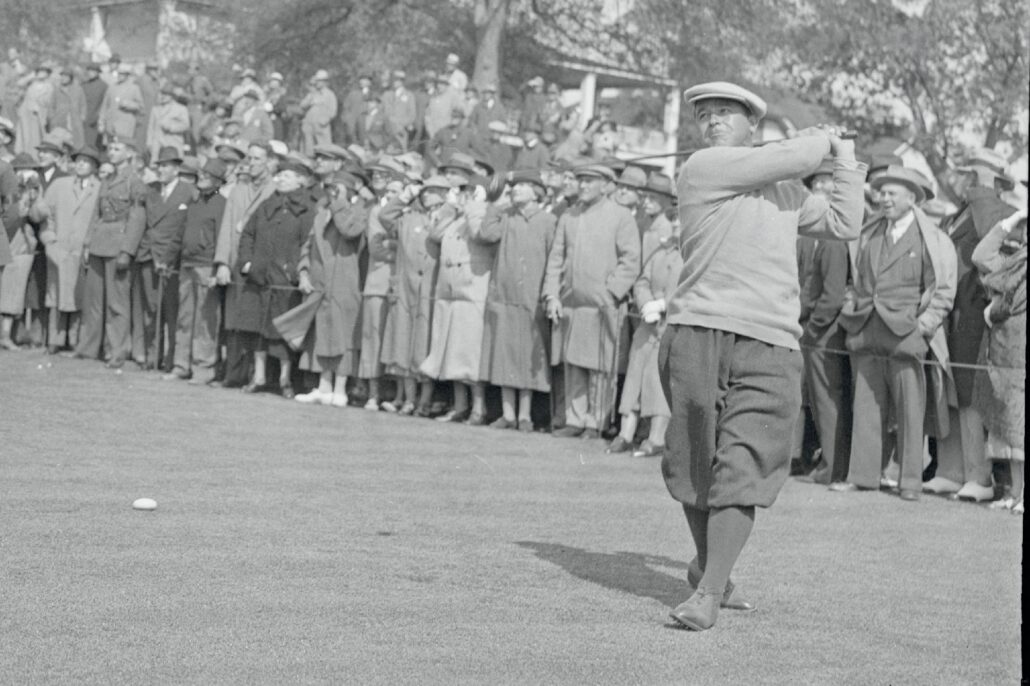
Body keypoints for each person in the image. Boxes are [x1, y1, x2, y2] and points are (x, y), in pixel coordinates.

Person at [661, 82, 865, 631]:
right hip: (697, 331)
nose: (713, 121)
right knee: (695, 463)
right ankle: (713, 571)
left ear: (754, 124)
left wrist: (845, 160)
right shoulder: (705, 167)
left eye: (727, 113)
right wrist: (822, 138)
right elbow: (797, 156)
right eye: (705, 115)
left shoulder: (788, 195)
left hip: (771, 341)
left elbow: (846, 223)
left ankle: (707, 591)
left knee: (743, 462)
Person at [834, 165, 957, 501]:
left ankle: (910, 483)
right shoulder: (869, 231)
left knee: (910, 410)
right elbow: (855, 280)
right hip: (865, 330)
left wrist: (924, 325)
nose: (883, 199)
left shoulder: (932, 239)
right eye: (882, 192)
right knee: (866, 406)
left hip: (907, 334)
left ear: (912, 198)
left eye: (892, 194)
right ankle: (862, 477)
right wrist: (852, 305)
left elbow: (943, 290)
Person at [924, 148, 1017, 501]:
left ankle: (980, 476)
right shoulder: (958, 214)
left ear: (991, 180)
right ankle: (951, 470)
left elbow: (990, 239)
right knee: (948, 390)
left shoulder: (1002, 211)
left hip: (979, 315)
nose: (965, 181)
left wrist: (983, 190)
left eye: (972, 174)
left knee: (970, 394)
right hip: (951, 312)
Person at [543, 163, 640, 439]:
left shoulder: (620, 216)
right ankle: (574, 419)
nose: (583, 185)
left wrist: (611, 293)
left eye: (589, 181)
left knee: (600, 367)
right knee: (573, 363)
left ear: (606, 185)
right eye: (580, 180)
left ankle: (595, 422)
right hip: (572, 304)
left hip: (604, 305)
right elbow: (556, 259)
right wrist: (552, 295)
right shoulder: (569, 216)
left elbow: (631, 260)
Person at [234, 157, 318, 398]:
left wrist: (295, 270)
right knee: (258, 329)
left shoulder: (307, 210)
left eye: (287, 176)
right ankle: (258, 376)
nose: (280, 179)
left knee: (283, 332)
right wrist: (248, 263)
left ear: (300, 181)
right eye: (279, 175)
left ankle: (284, 379)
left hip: (285, 281)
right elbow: (247, 234)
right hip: (259, 277)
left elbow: (308, 244)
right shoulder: (265, 205)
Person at [479, 171, 556, 431]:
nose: (516, 190)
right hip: (505, 297)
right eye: (515, 186)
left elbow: (554, 260)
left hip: (532, 299)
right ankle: (508, 413)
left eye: (523, 186)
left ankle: (525, 415)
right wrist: (497, 206)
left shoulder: (548, 221)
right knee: (504, 355)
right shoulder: (507, 217)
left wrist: (547, 293)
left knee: (527, 358)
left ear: (537, 192)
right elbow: (487, 233)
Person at [795, 159, 854, 486]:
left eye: (830, 183)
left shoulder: (833, 237)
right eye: (818, 184)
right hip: (813, 326)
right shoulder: (812, 234)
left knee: (828, 401)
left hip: (823, 332)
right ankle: (828, 465)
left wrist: (812, 327)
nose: (823, 189)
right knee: (820, 401)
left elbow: (831, 296)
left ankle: (832, 467)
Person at [419, 178, 494, 425]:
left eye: (468, 191)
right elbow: (436, 234)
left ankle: (478, 408)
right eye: (460, 191)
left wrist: (473, 205)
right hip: (450, 292)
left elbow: (479, 234)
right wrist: (450, 208)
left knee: (469, 354)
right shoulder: (456, 217)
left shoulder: (480, 213)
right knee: (451, 352)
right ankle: (460, 406)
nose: (462, 196)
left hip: (472, 290)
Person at [609, 212, 683, 457]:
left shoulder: (697, 254)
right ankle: (625, 434)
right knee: (634, 379)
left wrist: (664, 304)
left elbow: (695, 287)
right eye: (675, 219)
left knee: (659, 381)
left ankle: (656, 438)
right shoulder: (661, 251)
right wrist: (645, 303)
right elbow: (642, 281)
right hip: (648, 324)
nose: (675, 224)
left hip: (674, 327)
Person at [294, 171, 369, 406]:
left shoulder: (359, 211)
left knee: (343, 335)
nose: (331, 193)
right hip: (320, 282)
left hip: (345, 283)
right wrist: (303, 271)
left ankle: (341, 388)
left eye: (337, 189)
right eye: (330, 189)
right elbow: (307, 246)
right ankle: (324, 386)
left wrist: (340, 203)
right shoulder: (321, 213)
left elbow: (350, 230)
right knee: (323, 334)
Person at [378, 175, 449, 415]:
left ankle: (424, 401)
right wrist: (406, 194)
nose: (426, 195)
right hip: (406, 290)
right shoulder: (409, 218)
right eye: (425, 191)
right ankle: (409, 399)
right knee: (403, 346)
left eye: (433, 191)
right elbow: (385, 215)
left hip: (431, 291)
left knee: (425, 347)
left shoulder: (449, 219)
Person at [971, 208, 1026, 514]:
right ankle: (1016, 493)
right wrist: (1009, 223)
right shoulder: (1016, 260)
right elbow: (981, 256)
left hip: (1020, 353)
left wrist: (993, 312)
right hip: (1003, 351)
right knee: (1008, 425)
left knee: (1020, 425)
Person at [76, 138, 147, 365]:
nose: (112, 153)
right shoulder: (106, 180)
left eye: (117, 149)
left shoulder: (133, 181)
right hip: (99, 243)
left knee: (117, 303)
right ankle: (89, 347)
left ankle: (117, 351)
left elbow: (137, 217)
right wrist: (87, 243)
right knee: (94, 300)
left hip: (118, 244)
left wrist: (127, 250)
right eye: (110, 149)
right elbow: (96, 215)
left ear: (128, 154)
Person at [215, 141, 278, 387]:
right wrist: (222, 263)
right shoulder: (239, 189)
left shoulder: (274, 189)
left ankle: (257, 375)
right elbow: (227, 227)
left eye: (257, 159)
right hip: (236, 264)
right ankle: (234, 373)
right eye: (249, 159)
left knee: (256, 321)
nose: (251, 164)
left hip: (260, 266)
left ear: (269, 163)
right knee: (233, 321)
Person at [132, 146, 195, 370]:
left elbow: (189, 224)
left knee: (172, 311)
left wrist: (169, 256)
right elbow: (142, 223)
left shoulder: (189, 191)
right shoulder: (150, 190)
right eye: (159, 165)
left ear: (177, 169)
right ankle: (152, 355)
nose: (161, 170)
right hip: (149, 255)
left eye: (166, 166)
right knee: (151, 309)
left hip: (173, 259)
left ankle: (171, 357)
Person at [165, 158, 227, 382]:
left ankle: (203, 368)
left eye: (208, 175)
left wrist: (219, 267)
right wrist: (168, 258)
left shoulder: (222, 204)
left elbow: (223, 238)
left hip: (206, 266)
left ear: (218, 181)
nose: (202, 177)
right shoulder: (194, 202)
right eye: (202, 173)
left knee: (206, 320)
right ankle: (181, 365)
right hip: (187, 265)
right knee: (185, 318)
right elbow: (181, 232)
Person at [39, 146, 101, 353]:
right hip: (59, 248)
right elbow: (46, 215)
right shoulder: (59, 185)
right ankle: (54, 340)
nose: (81, 164)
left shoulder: (99, 188)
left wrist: (90, 245)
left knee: (79, 295)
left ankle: (74, 340)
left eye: (87, 161)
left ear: (94, 167)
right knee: (56, 295)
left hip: (82, 251)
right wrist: (49, 239)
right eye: (79, 160)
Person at [358, 157, 404, 410]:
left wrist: (397, 246)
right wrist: (402, 248)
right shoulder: (376, 210)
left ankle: (398, 396)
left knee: (398, 340)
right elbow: (377, 248)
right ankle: (373, 394)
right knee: (373, 337)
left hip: (400, 284)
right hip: (378, 282)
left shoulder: (407, 212)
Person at [0, 154, 46, 348]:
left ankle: (5, 336)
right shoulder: (6, 187)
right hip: (5, 235)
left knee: (13, 291)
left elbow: (37, 217)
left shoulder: (34, 191)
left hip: (21, 242)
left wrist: (33, 197)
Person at [98, 64, 143, 145]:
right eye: (119, 73)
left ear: (127, 75)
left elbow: (140, 106)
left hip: (126, 125)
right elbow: (104, 106)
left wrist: (129, 105)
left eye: (123, 74)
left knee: (123, 148)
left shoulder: (134, 88)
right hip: (111, 125)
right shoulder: (111, 87)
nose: (120, 76)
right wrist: (101, 121)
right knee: (111, 148)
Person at [15, 64, 54, 155]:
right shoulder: (31, 83)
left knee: (35, 137)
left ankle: (34, 156)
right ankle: (22, 154)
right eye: (40, 71)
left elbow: (48, 101)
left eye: (44, 72)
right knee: (24, 136)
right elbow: (19, 83)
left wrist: (38, 105)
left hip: (38, 115)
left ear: (48, 74)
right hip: (25, 113)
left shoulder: (49, 86)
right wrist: (31, 76)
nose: (42, 73)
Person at [146, 86, 190, 162]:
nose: (163, 96)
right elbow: (150, 127)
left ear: (172, 96)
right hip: (157, 143)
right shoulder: (155, 109)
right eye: (162, 94)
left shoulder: (181, 108)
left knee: (173, 163)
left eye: (167, 94)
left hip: (173, 141)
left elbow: (185, 125)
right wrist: (149, 142)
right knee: (155, 164)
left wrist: (171, 127)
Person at [299, 70, 338, 157]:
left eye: (320, 81)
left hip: (321, 127)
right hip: (309, 125)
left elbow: (333, 111)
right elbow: (302, 105)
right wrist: (310, 100)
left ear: (325, 82)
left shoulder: (329, 94)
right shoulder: (312, 94)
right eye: (317, 81)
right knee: (308, 149)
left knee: (324, 150)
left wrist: (324, 120)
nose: (317, 83)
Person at [382, 70, 417, 151]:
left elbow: (412, 115)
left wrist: (399, 125)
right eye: (393, 79)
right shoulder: (387, 94)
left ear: (402, 81)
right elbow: (385, 112)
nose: (394, 82)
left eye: (397, 80)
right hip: (388, 131)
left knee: (401, 154)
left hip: (401, 131)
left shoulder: (409, 95)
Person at [81, 63, 107, 148]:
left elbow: (105, 104)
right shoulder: (83, 85)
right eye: (89, 71)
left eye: (93, 71)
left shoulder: (104, 86)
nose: (90, 73)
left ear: (98, 72)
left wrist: (98, 117)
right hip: (83, 120)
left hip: (95, 121)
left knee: (93, 145)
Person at [341, 75, 372, 145]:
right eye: (361, 79)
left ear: (369, 82)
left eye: (364, 79)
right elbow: (346, 108)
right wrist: (347, 120)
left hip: (369, 130)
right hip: (353, 129)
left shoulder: (374, 95)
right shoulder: (353, 94)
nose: (361, 81)